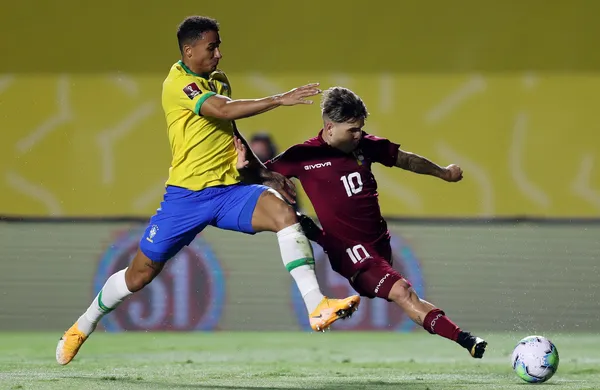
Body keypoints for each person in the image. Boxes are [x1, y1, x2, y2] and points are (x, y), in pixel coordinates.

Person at [55, 17, 360, 366]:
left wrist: (266, 175)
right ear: (189, 50)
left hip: (228, 192)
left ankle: (317, 306)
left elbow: (229, 128)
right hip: (186, 198)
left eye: (219, 45)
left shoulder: (218, 80)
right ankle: (83, 326)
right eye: (211, 47)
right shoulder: (178, 84)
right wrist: (280, 99)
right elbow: (221, 109)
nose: (219, 53)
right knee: (139, 275)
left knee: (283, 214)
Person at [262, 86, 487, 358]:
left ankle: (319, 236)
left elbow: (404, 159)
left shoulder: (365, 145)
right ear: (330, 127)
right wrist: (241, 167)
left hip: (380, 244)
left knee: (404, 293)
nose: (359, 136)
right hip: (350, 252)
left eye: (361, 129)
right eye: (352, 130)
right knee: (403, 292)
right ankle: (466, 340)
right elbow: (262, 176)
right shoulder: (303, 156)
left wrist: (443, 173)